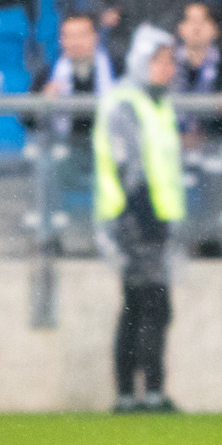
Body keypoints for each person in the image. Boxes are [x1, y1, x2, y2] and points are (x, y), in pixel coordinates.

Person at [94, 23, 185, 413]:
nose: (170, 68)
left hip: (152, 215)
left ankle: (131, 394)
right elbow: (127, 163)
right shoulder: (127, 103)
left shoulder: (156, 103)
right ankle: (148, 392)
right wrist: (143, 212)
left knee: (137, 304)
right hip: (136, 215)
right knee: (151, 304)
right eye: (163, 60)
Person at [33, 13, 114, 237]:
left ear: (95, 38)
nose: (76, 42)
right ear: (61, 41)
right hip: (67, 148)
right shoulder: (49, 73)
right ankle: (49, 237)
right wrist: (44, 101)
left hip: (108, 148)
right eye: (69, 36)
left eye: (82, 35)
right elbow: (26, 118)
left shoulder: (115, 69)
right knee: (47, 166)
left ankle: (117, 234)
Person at [172, 0, 222, 92]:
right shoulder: (168, 61)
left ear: (215, 29)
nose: (197, 27)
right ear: (180, 28)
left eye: (202, 21)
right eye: (191, 20)